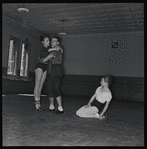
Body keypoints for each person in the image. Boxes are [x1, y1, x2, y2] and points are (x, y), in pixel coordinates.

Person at [34, 35, 61, 112]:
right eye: (47, 41)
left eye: (49, 41)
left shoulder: (51, 50)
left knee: (41, 85)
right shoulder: (44, 49)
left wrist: (59, 48)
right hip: (39, 66)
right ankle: (36, 102)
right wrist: (56, 48)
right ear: (43, 42)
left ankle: (38, 103)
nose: (48, 42)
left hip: (46, 68)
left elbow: (53, 53)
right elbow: (49, 50)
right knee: (37, 84)